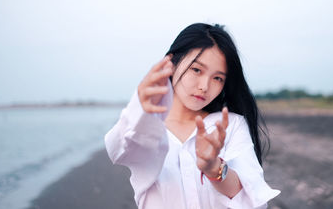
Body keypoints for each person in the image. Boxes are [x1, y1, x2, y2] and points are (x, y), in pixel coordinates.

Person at [104, 23, 280, 209]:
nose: (204, 86)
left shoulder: (229, 124)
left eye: (217, 78)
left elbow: (252, 197)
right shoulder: (147, 127)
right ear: (171, 63)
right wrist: (139, 106)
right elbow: (117, 149)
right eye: (196, 70)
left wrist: (214, 168)